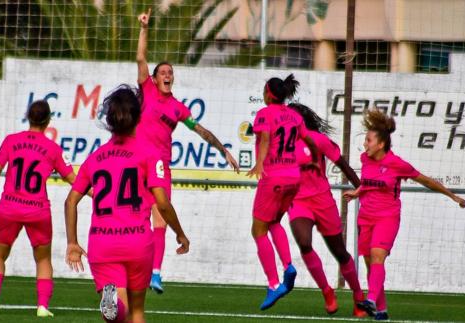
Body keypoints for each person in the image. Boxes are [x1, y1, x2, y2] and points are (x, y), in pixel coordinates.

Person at [64, 85, 190, 323]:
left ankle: (112, 304)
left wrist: (72, 242)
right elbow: (162, 203)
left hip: (102, 243)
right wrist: (180, 234)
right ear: (138, 117)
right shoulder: (149, 154)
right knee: (137, 312)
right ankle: (116, 307)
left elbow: (70, 201)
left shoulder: (95, 158)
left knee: (119, 314)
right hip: (137, 242)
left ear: (109, 120)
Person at [136, 8, 239, 294]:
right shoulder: (146, 89)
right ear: (154, 79)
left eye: (171, 72)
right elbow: (141, 58)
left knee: (160, 218)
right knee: (135, 217)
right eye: (163, 73)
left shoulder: (179, 108)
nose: (167, 75)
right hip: (136, 163)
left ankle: (155, 274)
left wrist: (223, 150)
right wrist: (144, 28)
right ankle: (137, 267)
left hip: (159, 166)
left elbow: (200, 131)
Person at [344, 108, 465, 320]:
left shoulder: (396, 164)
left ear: (381, 144)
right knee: (368, 263)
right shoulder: (365, 159)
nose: (365, 144)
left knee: (377, 257)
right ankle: (380, 310)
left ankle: (371, 300)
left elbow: (425, 180)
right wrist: (357, 193)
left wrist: (452, 195)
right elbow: (367, 183)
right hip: (366, 216)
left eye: (368, 140)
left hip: (387, 217)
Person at [0, 100, 76, 317]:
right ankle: (42, 307)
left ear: (28, 116)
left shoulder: (11, 141)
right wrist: (98, 194)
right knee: (43, 260)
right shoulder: (53, 149)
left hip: (9, 207)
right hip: (38, 211)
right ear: (48, 121)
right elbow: (72, 178)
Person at [286, 103, 367, 317]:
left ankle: (359, 297)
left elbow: (344, 166)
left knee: (339, 253)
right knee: (304, 243)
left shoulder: (317, 140)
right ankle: (327, 291)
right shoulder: (281, 144)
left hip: (322, 200)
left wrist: (362, 189)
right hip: (297, 201)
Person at [246, 74, 319, 310]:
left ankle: (273, 283)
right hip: (293, 178)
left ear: (268, 93)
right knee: (274, 221)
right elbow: (309, 138)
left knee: (258, 230)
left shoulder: (264, 114)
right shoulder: (295, 116)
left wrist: (259, 162)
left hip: (274, 176)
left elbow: (266, 137)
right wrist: (315, 161)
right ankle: (288, 266)